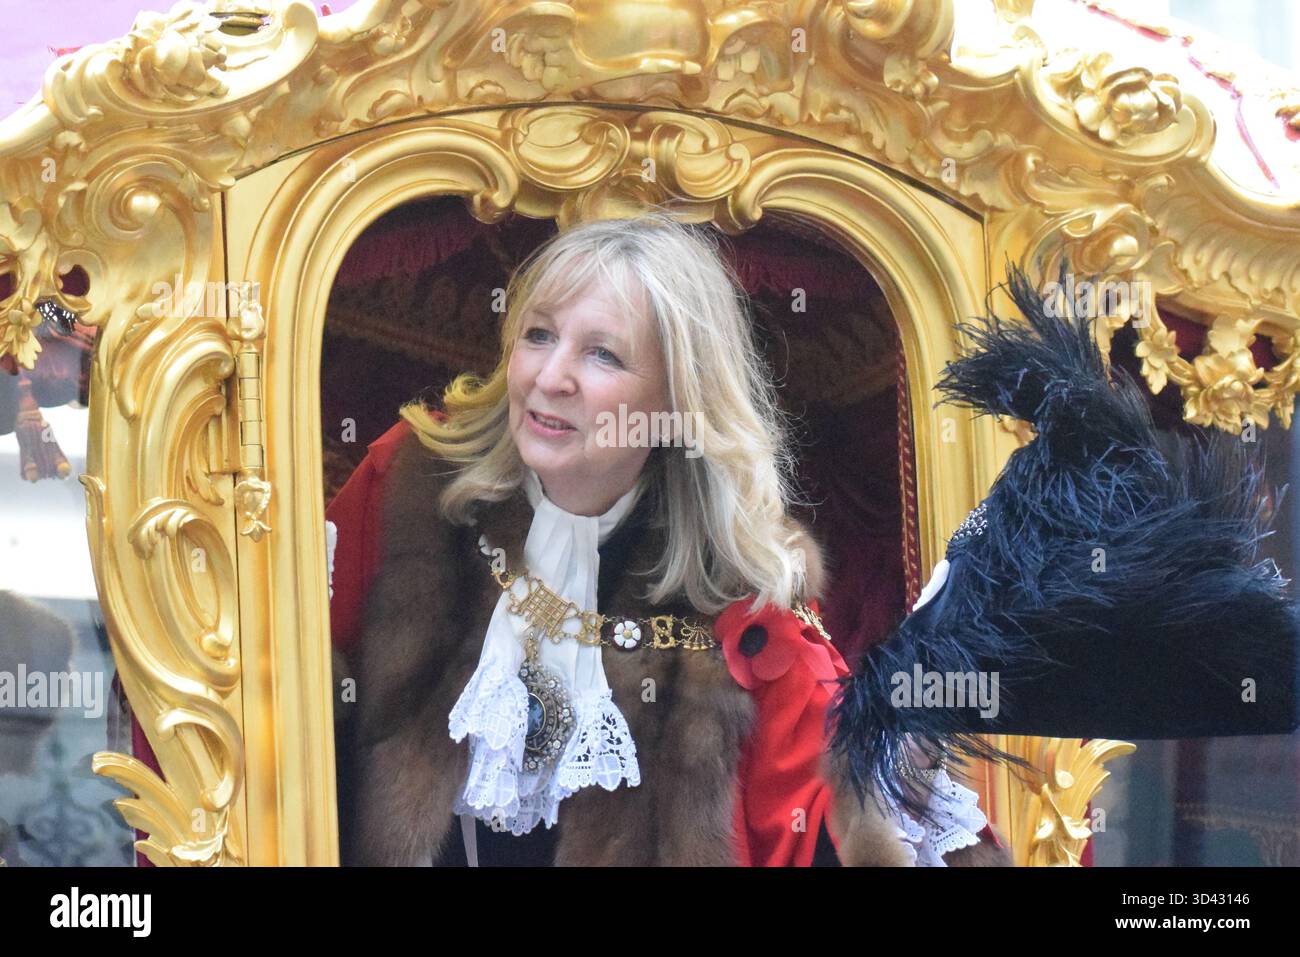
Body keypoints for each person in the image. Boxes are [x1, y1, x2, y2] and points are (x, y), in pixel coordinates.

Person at [326, 210, 1007, 866]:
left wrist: (893, 776)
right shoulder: (411, 486)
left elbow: (831, 824)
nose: (550, 377)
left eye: (601, 354)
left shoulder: (746, 618)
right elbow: (287, 690)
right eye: (538, 334)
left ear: (676, 402)